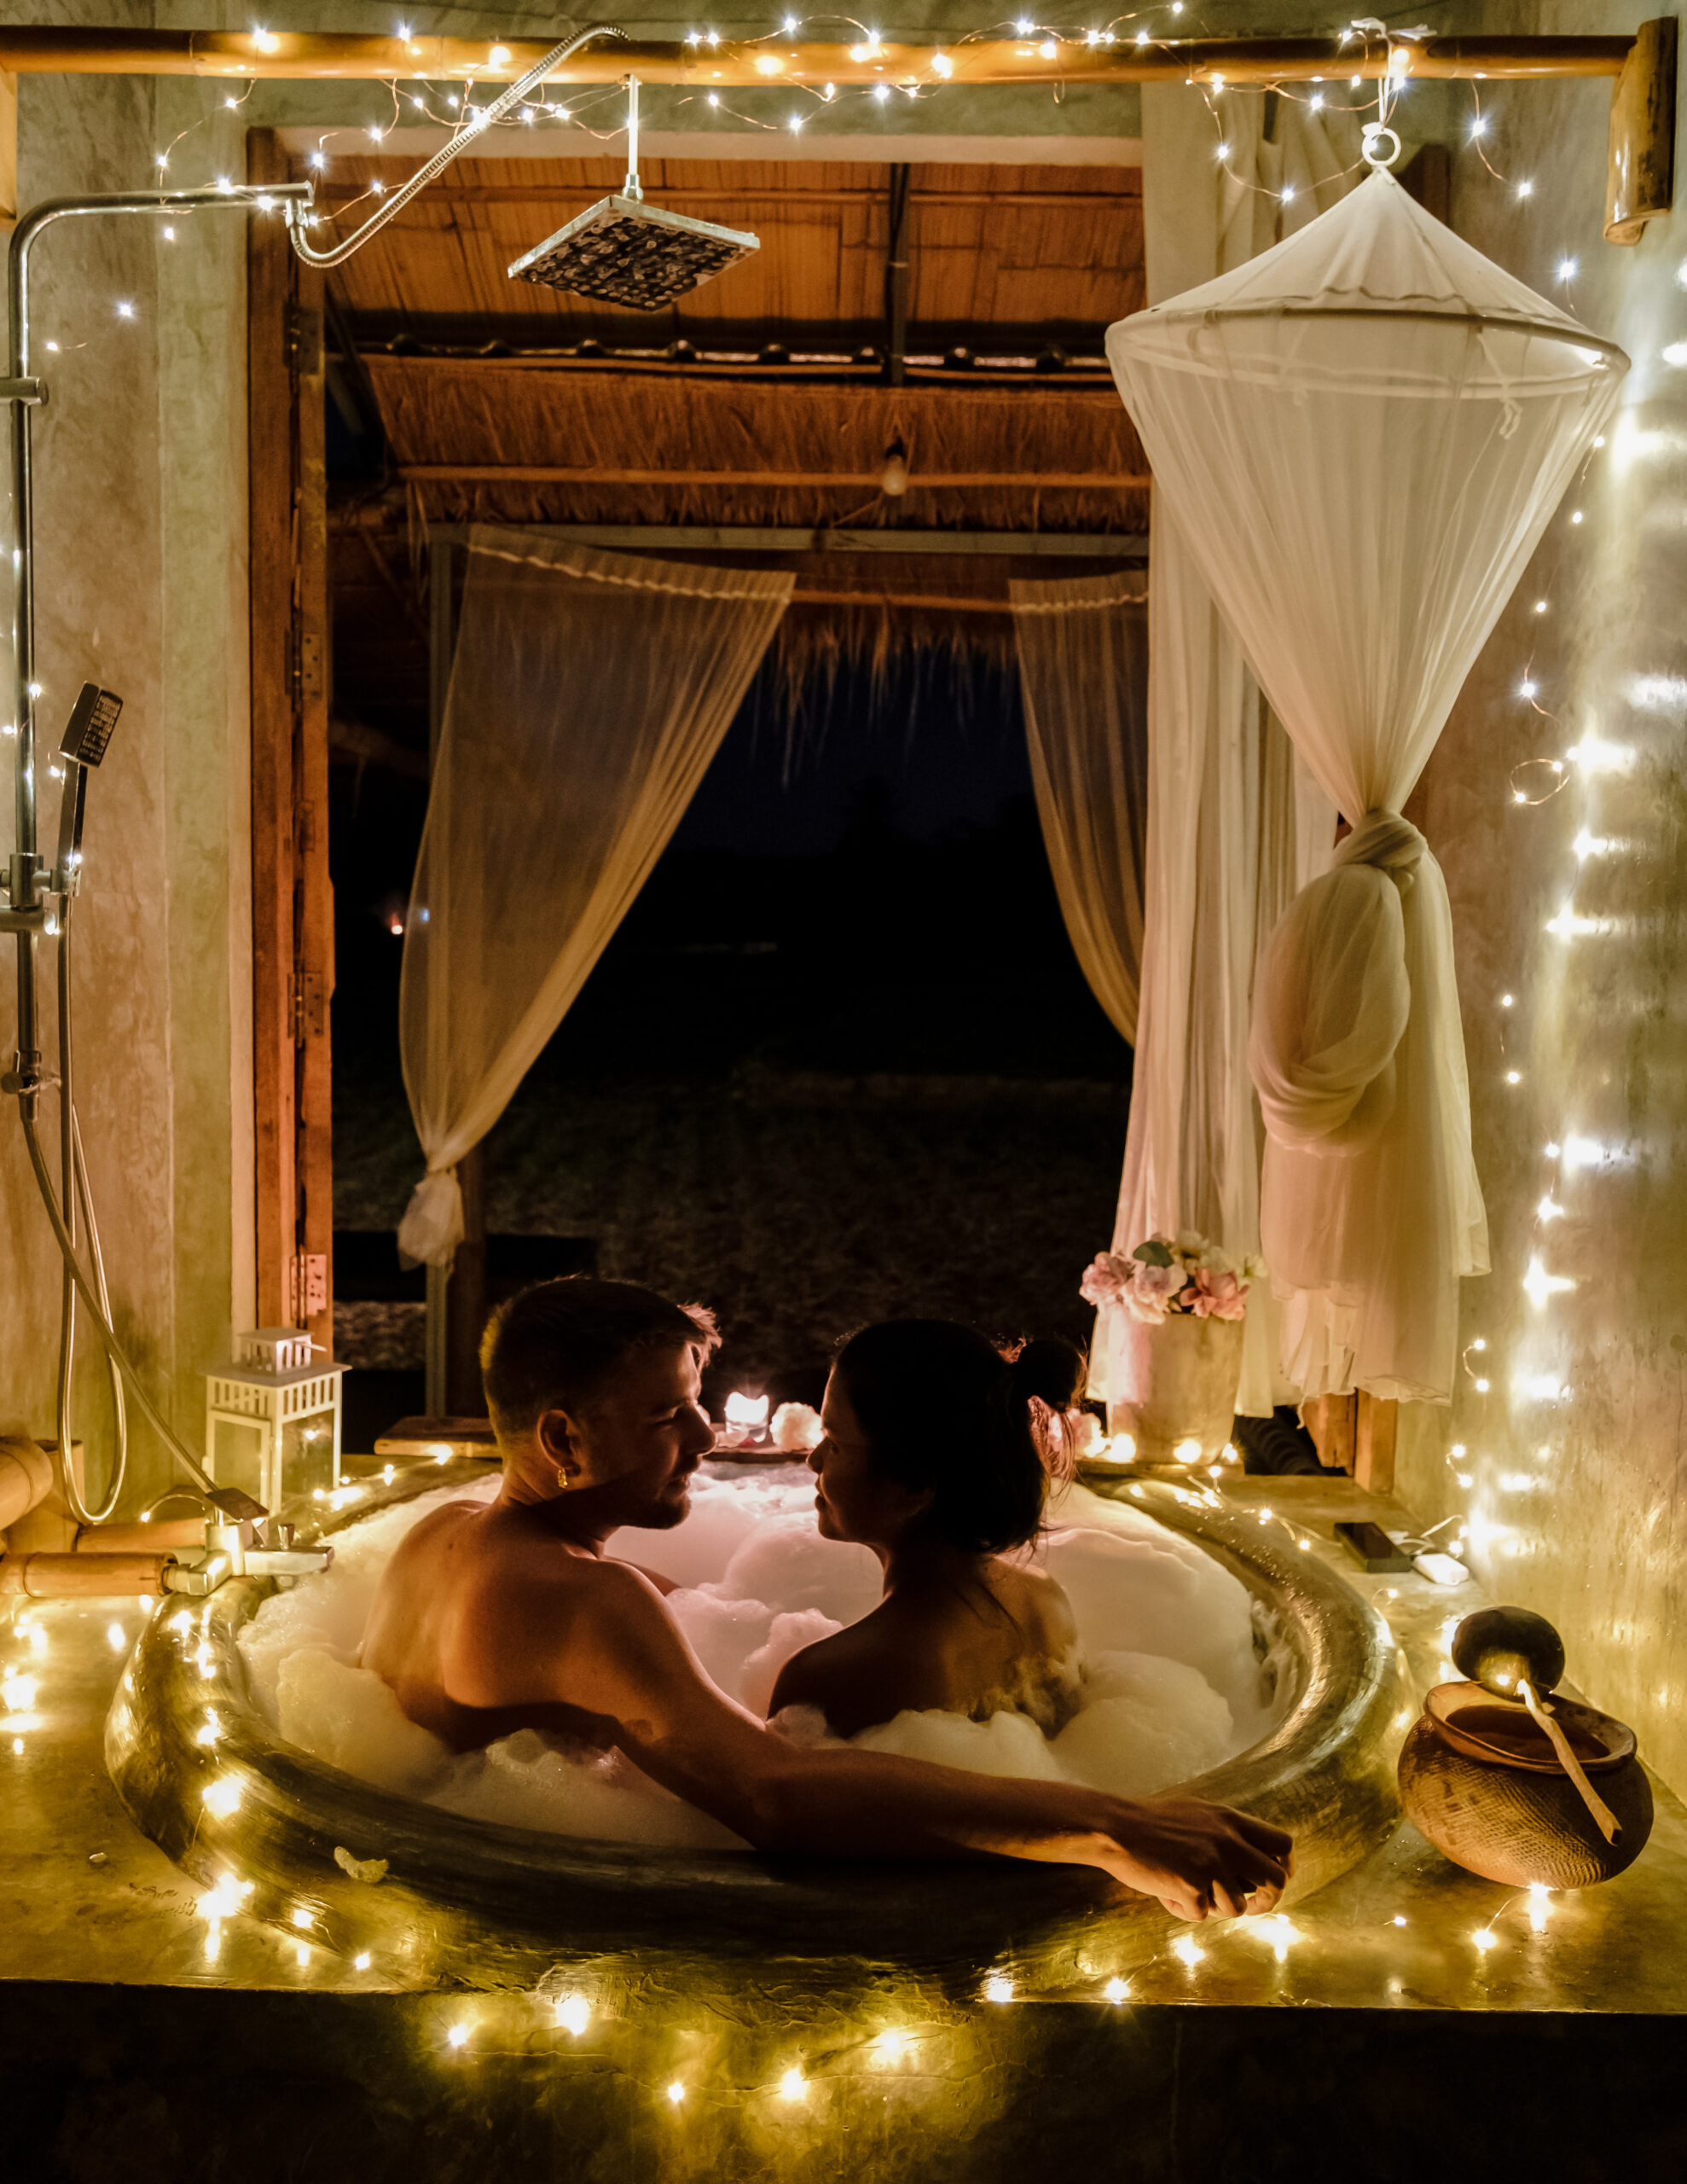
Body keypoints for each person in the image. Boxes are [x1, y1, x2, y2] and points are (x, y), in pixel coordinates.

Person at [360, 1277, 1292, 1923]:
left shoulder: (438, 1538)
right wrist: (1112, 1823)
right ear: (562, 1435)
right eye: (664, 1415)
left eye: (695, 1398)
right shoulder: (584, 1601)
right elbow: (776, 1796)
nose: (701, 1434)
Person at [769, 1321, 1086, 1737]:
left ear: (914, 1487)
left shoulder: (832, 1676)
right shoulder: (1046, 1602)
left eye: (835, 1442)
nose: (814, 1460)